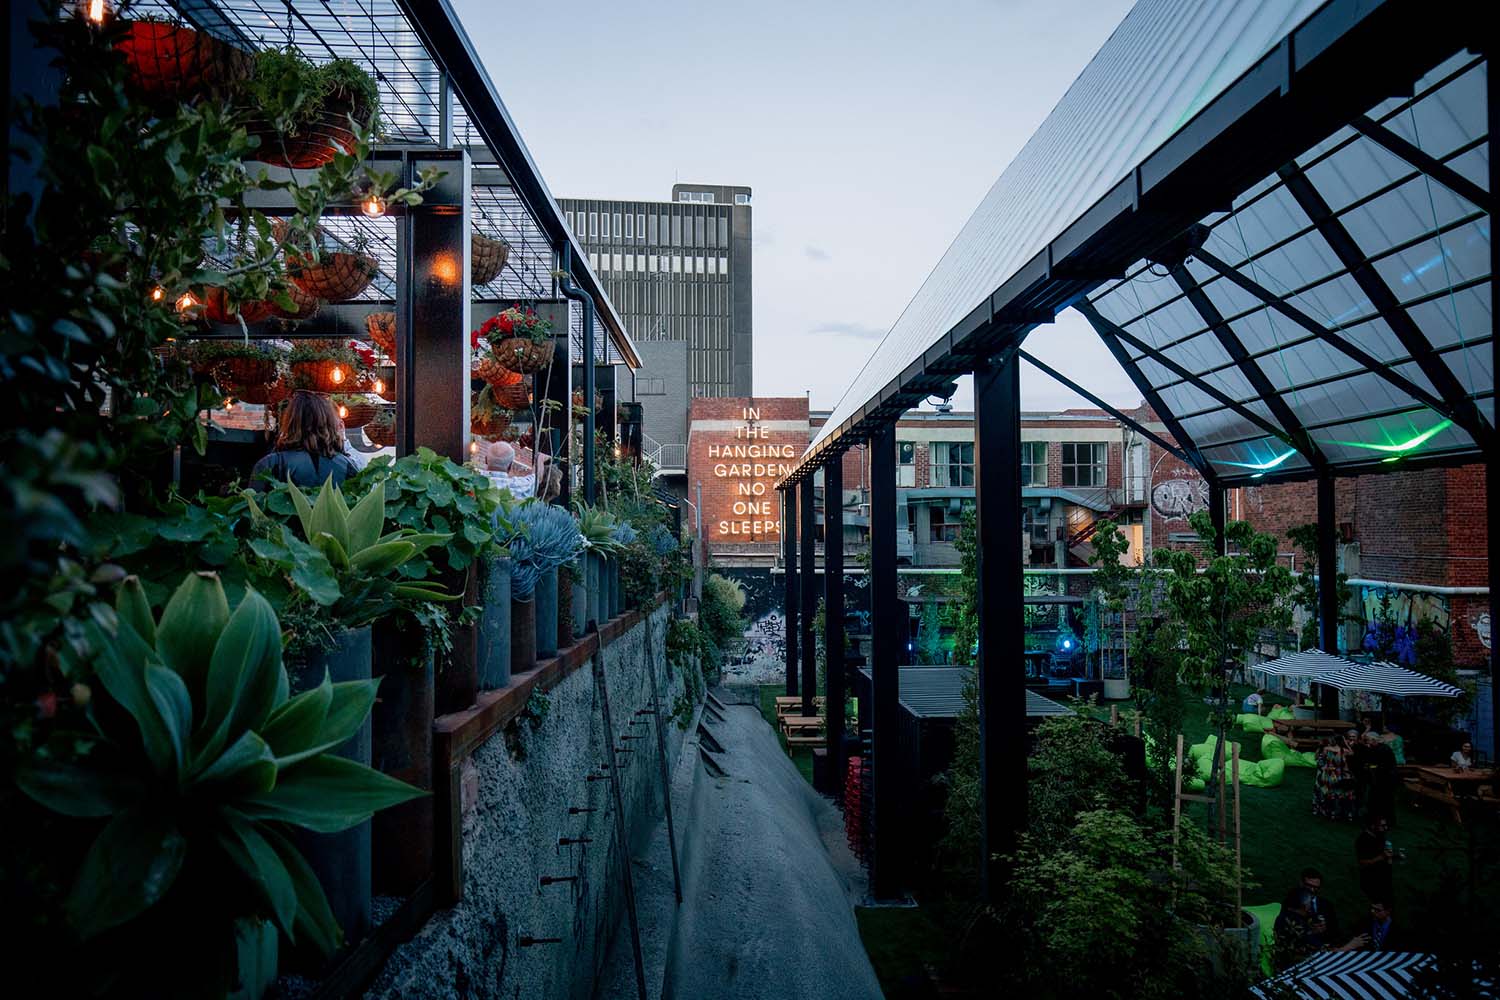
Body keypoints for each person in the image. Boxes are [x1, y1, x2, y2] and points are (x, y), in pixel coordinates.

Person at [251, 391, 360, 489]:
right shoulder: (348, 466)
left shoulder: (271, 464)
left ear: (291, 423)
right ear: (330, 424)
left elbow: (253, 507)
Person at [1282, 867, 1339, 940]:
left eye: (1316, 887)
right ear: (1301, 883)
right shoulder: (1290, 902)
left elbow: (1335, 931)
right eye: (1309, 886)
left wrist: (1325, 929)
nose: (1312, 890)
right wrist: (1309, 930)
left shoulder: (1327, 905)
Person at [1314, 734, 1356, 822]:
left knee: (1328, 793)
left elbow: (1322, 760)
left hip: (1328, 774)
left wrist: (1323, 768)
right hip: (1339, 774)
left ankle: (1329, 811)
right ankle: (1339, 812)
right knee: (1340, 793)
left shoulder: (1327, 749)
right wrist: (1346, 744)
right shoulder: (1344, 751)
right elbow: (1352, 753)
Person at [1354, 814, 1394, 904]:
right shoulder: (1362, 840)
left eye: (1386, 825)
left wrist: (1393, 856)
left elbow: (1385, 853)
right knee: (1377, 904)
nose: (1385, 828)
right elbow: (1362, 862)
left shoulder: (1380, 836)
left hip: (1384, 877)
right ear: (1372, 826)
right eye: (1382, 826)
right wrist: (1382, 857)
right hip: (1371, 879)